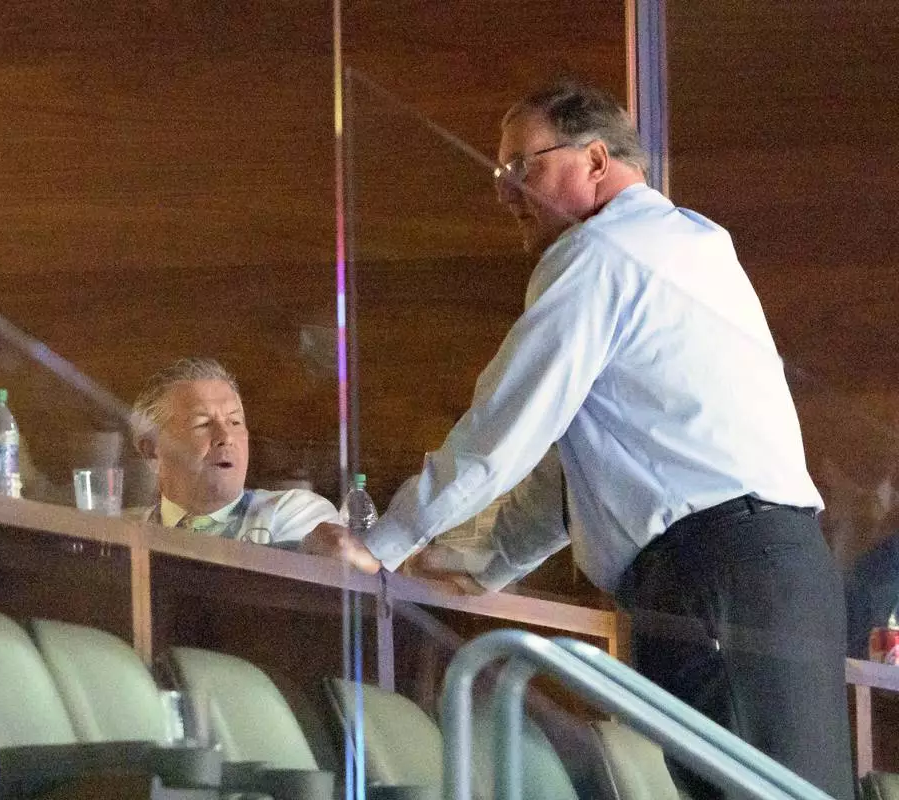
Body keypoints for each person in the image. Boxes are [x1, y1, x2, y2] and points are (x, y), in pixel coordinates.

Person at [309, 80, 854, 800]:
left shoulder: (598, 253)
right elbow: (581, 465)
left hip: (716, 576)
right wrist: (482, 566)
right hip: (769, 572)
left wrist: (380, 547)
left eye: (521, 168)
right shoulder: (691, 241)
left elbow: (503, 429)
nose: (505, 192)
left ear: (595, 160)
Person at [131, 357, 340, 545]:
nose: (226, 437)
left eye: (235, 421)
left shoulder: (293, 514)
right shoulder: (119, 533)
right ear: (151, 450)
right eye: (203, 424)